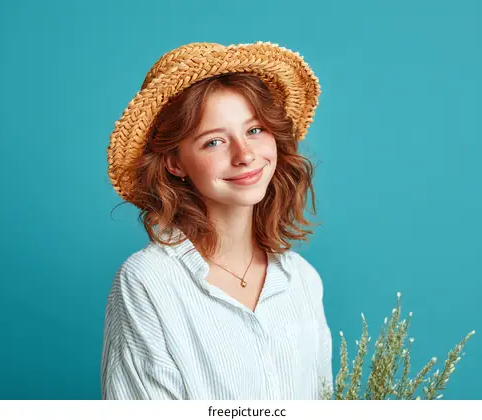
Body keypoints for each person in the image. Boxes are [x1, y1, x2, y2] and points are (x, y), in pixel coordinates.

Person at [101, 41, 333, 399]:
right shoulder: (148, 282)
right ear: (174, 162)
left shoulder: (302, 280)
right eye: (214, 142)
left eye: (255, 130)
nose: (245, 155)